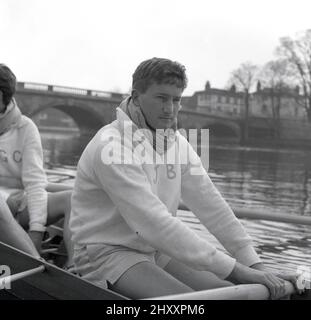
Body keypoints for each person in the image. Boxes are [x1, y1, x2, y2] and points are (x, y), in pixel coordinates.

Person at [69, 57, 298, 299]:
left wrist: (253, 265)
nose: (170, 108)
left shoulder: (176, 142)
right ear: (136, 97)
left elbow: (210, 203)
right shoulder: (111, 147)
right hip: (106, 252)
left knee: (238, 295)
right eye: (161, 98)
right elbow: (154, 223)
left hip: (156, 249)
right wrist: (237, 271)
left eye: (176, 99)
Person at [0, 63, 72, 257]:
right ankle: (35, 259)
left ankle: (72, 266)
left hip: (20, 204)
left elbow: (34, 184)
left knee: (74, 198)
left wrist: (36, 231)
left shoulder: (26, 128)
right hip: (3, 204)